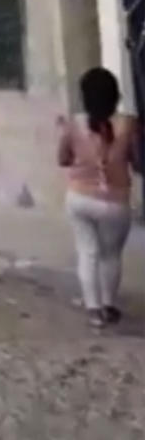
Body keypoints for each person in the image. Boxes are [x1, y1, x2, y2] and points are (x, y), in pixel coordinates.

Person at [57, 67, 140, 328]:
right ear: (116, 95)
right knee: (111, 255)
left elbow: (62, 159)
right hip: (115, 202)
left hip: (80, 198)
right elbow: (138, 163)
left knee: (87, 252)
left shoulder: (73, 124)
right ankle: (109, 306)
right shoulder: (128, 124)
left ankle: (93, 310)